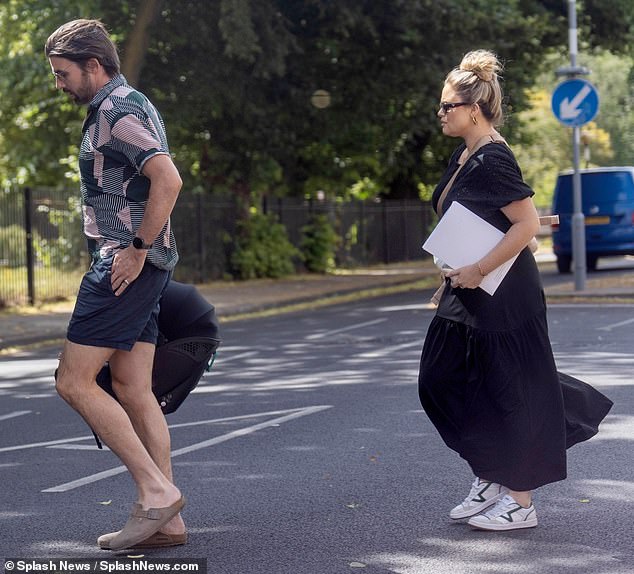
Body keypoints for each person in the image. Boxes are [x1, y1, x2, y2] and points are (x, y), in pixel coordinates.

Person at [418, 50, 613, 531]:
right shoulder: (464, 155)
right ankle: (489, 472)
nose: (441, 113)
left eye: (447, 106)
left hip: (503, 291)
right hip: (464, 290)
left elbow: (526, 225)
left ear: (474, 110)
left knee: (514, 390)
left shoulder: (493, 157)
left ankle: (520, 501)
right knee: (440, 381)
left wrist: (479, 267)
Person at [45, 19, 185, 550]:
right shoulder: (133, 101)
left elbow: (167, 177)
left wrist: (136, 248)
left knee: (73, 380)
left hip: (123, 267)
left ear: (94, 65)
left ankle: (155, 492)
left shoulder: (114, 112)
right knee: (131, 387)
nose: (59, 84)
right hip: (143, 267)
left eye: (63, 74)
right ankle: (168, 520)